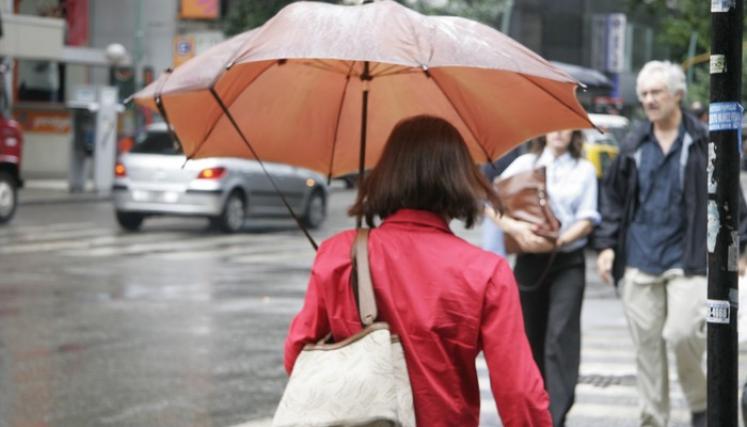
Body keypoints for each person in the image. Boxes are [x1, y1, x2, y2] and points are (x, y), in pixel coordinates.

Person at [284, 115, 552, 426]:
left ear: (388, 173)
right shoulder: (485, 272)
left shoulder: (338, 254)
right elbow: (518, 392)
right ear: (459, 179)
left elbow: (298, 353)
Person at [594, 60, 747, 427]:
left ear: (677, 95)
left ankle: (700, 402)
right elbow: (613, 200)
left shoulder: (703, 143)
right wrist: (606, 246)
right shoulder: (632, 145)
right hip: (640, 259)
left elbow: (732, 198)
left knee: (681, 335)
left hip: (690, 258)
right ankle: (653, 420)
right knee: (647, 349)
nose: (648, 99)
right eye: (644, 93)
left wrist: (739, 249)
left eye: (656, 92)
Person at [486, 130, 600, 426]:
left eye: (566, 127)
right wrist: (515, 229)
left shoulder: (584, 169)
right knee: (528, 338)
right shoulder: (526, 163)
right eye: (554, 127)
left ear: (574, 133)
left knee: (560, 337)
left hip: (567, 261)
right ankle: (534, 410)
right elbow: (489, 201)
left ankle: (556, 416)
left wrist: (558, 242)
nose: (559, 133)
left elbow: (588, 218)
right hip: (528, 261)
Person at [481, 145, 524, 255]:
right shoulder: (491, 148)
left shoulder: (519, 148)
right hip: (494, 197)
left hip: (513, 196)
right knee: (494, 246)